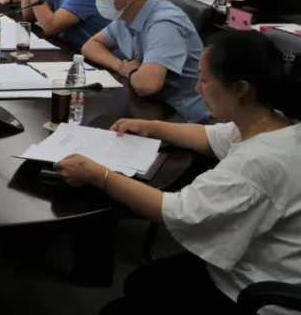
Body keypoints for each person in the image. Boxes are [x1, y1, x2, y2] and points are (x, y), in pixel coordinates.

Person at [56, 30, 301, 315]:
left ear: (239, 88)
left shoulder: (260, 161)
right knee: (141, 283)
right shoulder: (275, 123)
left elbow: (179, 211)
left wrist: (100, 175)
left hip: (253, 291)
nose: (197, 89)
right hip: (255, 261)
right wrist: (151, 127)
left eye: (205, 80)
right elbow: (210, 136)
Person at [81, 0, 210, 123]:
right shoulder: (126, 14)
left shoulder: (164, 23)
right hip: (152, 107)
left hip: (187, 119)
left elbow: (147, 85)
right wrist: (121, 67)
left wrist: (131, 71)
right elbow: (91, 46)